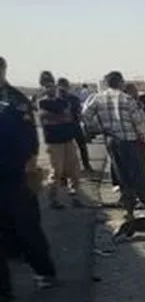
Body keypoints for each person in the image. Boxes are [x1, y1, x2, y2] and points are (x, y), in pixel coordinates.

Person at [0, 56, 59, 299]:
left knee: (26, 226)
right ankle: (3, 290)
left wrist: (30, 164)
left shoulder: (15, 100)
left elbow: (29, 140)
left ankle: (44, 272)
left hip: (15, 174)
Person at [81, 71, 145, 221]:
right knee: (138, 173)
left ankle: (128, 205)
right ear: (120, 82)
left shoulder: (97, 98)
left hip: (112, 140)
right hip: (130, 141)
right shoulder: (127, 99)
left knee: (122, 174)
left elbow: (85, 115)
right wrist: (144, 138)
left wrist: (100, 128)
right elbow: (139, 122)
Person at [36, 71, 84, 208]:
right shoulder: (41, 101)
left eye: (52, 85)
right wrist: (58, 117)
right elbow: (44, 118)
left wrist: (55, 117)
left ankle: (75, 195)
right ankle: (53, 198)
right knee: (56, 171)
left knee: (74, 169)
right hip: (53, 140)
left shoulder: (62, 101)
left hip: (67, 138)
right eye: (47, 85)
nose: (50, 88)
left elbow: (67, 116)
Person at [57, 77, 92, 173]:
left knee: (76, 147)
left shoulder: (58, 99)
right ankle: (85, 166)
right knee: (79, 146)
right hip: (72, 125)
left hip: (68, 126)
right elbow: (79, 113)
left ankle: (83, 166)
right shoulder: (72, 98)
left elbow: (79, 112)